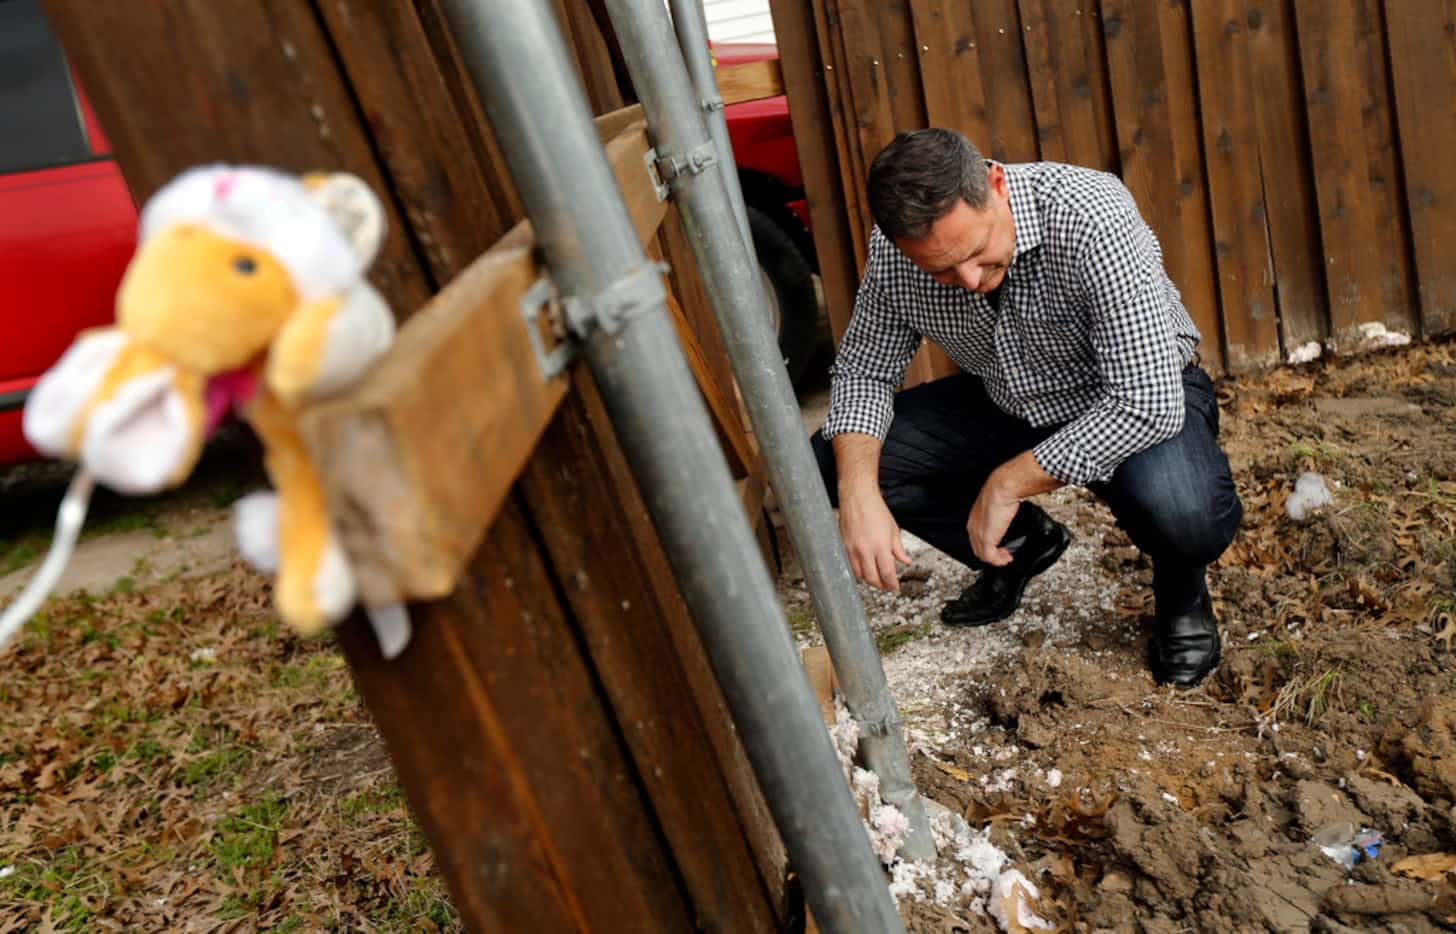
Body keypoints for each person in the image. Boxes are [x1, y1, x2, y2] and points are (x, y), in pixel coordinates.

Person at [811, 128, 1243, 688]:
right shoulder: (897, 256)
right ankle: (1018, 547)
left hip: (1126, 399)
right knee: (834, 461)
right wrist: (858, 494)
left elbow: (1147, 400)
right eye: (940, 271)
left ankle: (1182, 593)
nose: (965, 281)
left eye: (974, 253)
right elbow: (865, 371)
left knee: (1183, 511)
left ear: (995, 185)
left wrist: (1007, 483)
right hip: (1009, 400)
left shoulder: (1090, 213)